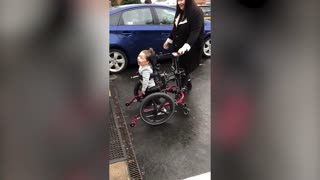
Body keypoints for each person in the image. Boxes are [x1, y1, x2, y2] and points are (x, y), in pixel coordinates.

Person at [163, 0, 204, 92]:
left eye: (182, 0)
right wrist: (168, 40)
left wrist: (185, 47)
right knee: (180, 68)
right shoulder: (180, 12)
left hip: (190, 48)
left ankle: (181, 89)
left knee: (184, 69)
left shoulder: (197, 12)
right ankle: (187, 84)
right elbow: (175, 28)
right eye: (178, 0)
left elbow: (195, 32)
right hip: (178, 47)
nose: (179, 3)